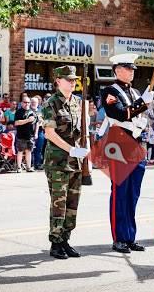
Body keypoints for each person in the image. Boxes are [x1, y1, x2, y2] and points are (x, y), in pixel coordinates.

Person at [100, 53, 154, 254]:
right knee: (120, 192)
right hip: (119, 143)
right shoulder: (109, 91)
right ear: (117, 70)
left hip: (136, 144)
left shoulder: (135, 91)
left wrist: (143, 103)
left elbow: (139, 117)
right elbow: (119, 113)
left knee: (133, 193)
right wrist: (142, 103)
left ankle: (130, 236)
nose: (132, 72)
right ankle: (119, 238)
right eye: (128, 68)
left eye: (132, 69)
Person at [41, 65, 90, 260]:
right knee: (58, 204)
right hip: (57, 161)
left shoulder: (78, 102)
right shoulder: (50, 104)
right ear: (58, 81)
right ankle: (55, 242)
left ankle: (66, 240)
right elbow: (49, 133)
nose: (72, 82)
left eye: (74, 79)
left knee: (72, 203)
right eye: (68, 79)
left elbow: (84, 132)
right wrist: (70, 149)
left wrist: (86, 153)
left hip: (76, 161)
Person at [14, 96, 36, 173]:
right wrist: (27, 120)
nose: (27, 104)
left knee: (29, 151)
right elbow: (16, 123)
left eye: (28, 102)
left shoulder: (32, 112)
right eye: (25, 102)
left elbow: (36, 123)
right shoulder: (19, 111)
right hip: (21, 135)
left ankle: (28, 167)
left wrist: (35, 133)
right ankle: (19, 167)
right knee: (20, 151)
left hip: (30, 135)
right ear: (22, 103)